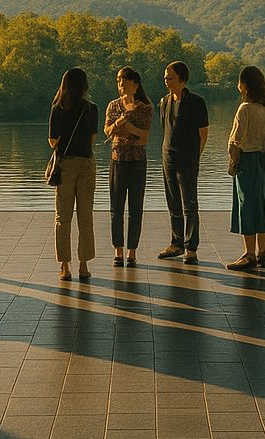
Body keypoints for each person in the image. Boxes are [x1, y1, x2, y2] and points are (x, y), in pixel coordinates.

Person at [49, 68, 98, 281]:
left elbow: (52, 141)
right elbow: (93, 139)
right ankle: (84, 266)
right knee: (85, 216)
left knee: (63, 217)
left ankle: (65, 266)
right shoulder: (92, 108)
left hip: (66, 165)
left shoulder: (58, 108)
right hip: (86, 163)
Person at [227, 65, 265, 271]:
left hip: (246, 162)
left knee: (246, 206)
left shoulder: (245, 109)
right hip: (260, 160)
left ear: (245, 86)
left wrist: (232, 159)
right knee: (262, 205)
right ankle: (262, 253)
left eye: (240, 82)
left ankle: (248, 255)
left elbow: (236, 140)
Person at [158, 60, 208, 264]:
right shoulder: (164, 102)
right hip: (167, 158)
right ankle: (176, 243)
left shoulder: (196, 102)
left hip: (188, 160)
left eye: (170, 78)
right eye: (165, 78)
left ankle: (191, 247)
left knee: (190, 204)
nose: (167, 81)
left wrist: (196, 156)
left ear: (182, 79)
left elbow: (203, 134)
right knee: (173, 203)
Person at [104, 66, 153, 267]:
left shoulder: (145, 108)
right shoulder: (113, 106)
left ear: (135, 84)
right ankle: (118, 250)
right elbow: (107, 131)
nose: (120, 84)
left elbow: (144, 137)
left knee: (136, 208)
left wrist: (129, 126)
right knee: (116, 208)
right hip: (117, 160)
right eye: (118, 81)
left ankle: (132, 251)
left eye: (123, 80)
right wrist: (118, 124)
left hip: (137, 162)